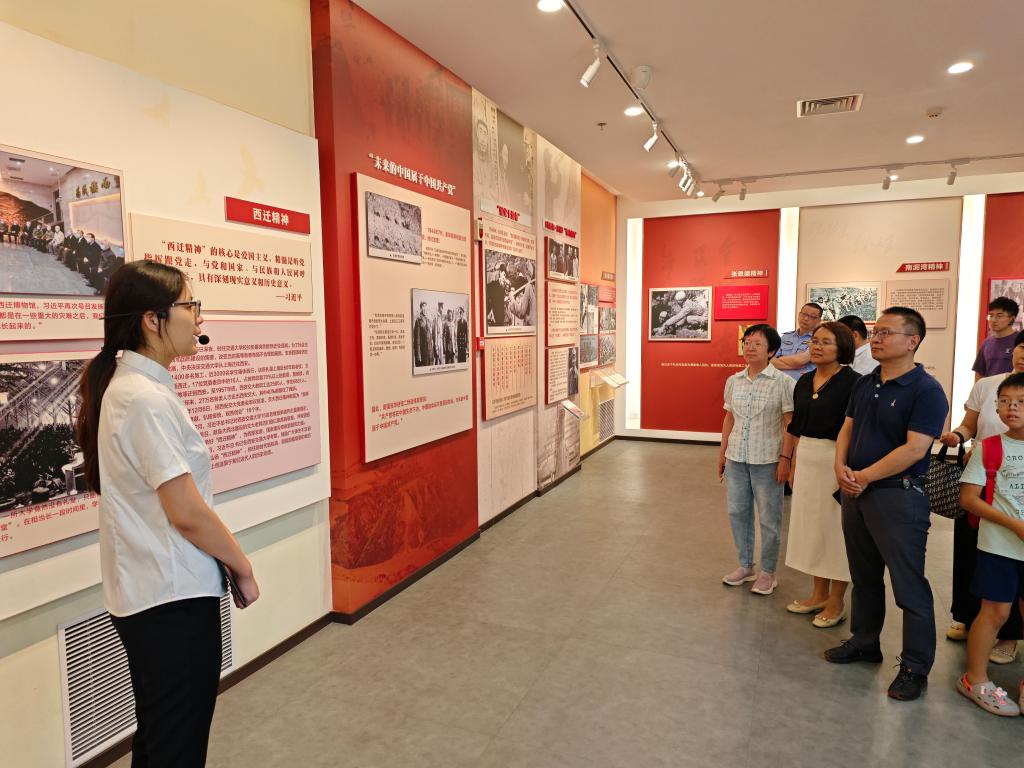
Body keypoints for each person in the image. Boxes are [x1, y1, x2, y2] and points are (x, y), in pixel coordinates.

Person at [76, 260, 259, 766]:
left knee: (162, 737)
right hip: (171, 601)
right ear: (152, 320)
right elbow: (186, 512)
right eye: (189, 305)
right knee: (176, 745)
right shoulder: (142, 398)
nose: (199, 317)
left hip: (157, 593)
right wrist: (242, 566)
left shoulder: (135, 390)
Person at [825, 306, 948, 702]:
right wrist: (841, 467)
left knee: (909, 585)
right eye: (876, 332)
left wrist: (863, 476)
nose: (876, 339)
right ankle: (864, 641)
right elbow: (847, 428)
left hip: (898, 495)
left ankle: (915, 667)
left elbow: (915, 449)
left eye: (887, 333)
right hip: (855, 491)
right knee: (863, 575)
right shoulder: (865, 383)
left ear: (912, 341)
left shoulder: (926, 390)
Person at [939, 329, 1024, 661]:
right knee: (972, 553)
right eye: (1020, 347)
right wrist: (957, 436)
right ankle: (967, 615)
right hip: (982, 476)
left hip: (1016, 486)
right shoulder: (988, 385)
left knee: (1012, 565)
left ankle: (1009, 635)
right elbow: (969, 425)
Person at [783, 322, 860, 626]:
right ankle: (818, 594)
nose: (816, 346)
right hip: (808, 458)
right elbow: (797, 427)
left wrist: (845, 466)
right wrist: (792, 462)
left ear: (842, 347)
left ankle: (837, 600)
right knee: (812, 529)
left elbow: (854, 430)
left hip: (837, 460)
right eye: (814, 341)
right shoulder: (804, 381)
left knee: (835, 532)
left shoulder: (854, 383)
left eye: (826, 342)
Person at [955, 371, 1024, 716]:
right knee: (995, 612)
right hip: (999, 547)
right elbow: (969, 499)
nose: (1012, 408)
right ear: (995, 408)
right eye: (1005, 401)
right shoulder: (990, 447)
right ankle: (975, 679)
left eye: (1022, 402)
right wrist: (1014, 525)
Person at [719, 323, 795, 596]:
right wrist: (722, 452)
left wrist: (786, 460)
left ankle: (768, 572)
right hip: (737, 458)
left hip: (768, 460)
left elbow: (790, 424)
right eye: (747, 343)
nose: (749, 348)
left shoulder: (784, 383)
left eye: (757, 344)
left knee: (770, 519)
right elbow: (729, 418)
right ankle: (745, 565)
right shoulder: (734, 381)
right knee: (737, 513)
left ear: (772, 351)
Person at [771, 303, 823, 381]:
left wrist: (780, 359)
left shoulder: (819, 340)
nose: (806, 318)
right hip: (779, 382)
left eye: (812, 316)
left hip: (803, 383)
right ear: (799, 315)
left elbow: (801, 360)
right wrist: (793, 365)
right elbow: (770, 361)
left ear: (818, 321)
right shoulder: (785, 337)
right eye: (804, 314)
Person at [974, 297, 1019, 379]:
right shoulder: (986, 343)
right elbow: (979, 372)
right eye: (991, 315)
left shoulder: (1019, 341)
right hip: (988, 387)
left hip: (1012, 386)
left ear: (1012, 319)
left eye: (999, 316)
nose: (993, 320)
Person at [413, 301, 433, 367]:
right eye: (423, 307)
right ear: (420, 308)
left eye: (425, 307)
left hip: (429, 353)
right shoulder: (418, 321)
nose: (424, 309)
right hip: (423, 353)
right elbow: (417, 340)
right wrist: (418, 355)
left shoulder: (428, 320)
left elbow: (430, 338)